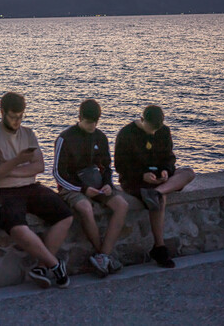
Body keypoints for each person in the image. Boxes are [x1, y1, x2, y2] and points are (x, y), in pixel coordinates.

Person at [0, 92, 73, 288]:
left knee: (65, 215)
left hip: (29, 187)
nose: (17, 121)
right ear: (2, 112)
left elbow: (39, 166)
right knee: (19, 228)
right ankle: (55, 266)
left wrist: (8, 170)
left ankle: (41, 266)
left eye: (21, 116)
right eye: (13, 116)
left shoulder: (28, 134)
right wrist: (18, 162)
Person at [53, 99, 129, 277]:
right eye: (88, 122)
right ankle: (102, 254)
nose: (91, 125)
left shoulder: (100, 137)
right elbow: (58, 173)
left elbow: (106, 166)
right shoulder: (65, 138)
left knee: (122, 205)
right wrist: (82, 190)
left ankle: (103, 256)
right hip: (72, 187)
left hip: (98, 183)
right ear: (79, 118)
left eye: (95, 122)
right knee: (86, 209)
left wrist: (108, 184)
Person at [115, 105, 195, 268]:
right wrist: (142, 175)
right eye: (150, 129)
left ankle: (157, 192)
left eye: (156, 130)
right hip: (134, 179)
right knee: (160, 200)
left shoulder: (164, 132)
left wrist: (166, 171)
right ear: (142, 120)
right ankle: (159, 247)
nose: (152, 133)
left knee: (188, 173)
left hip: (158, 179)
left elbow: (169, 157)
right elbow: (120, 165)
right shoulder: (126, 133)